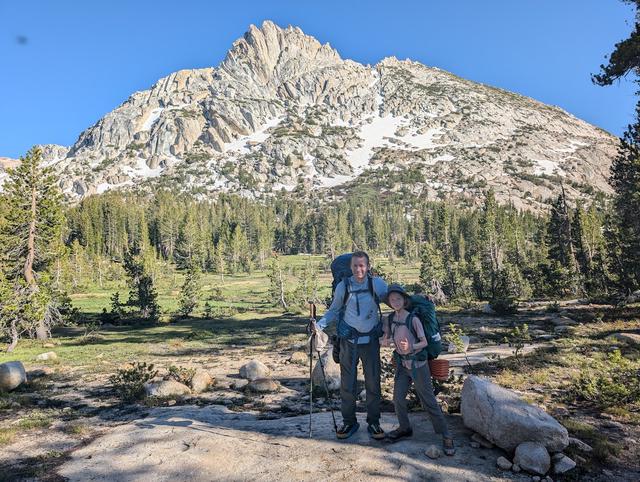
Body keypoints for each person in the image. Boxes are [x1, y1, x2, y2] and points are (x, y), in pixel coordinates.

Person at [313, 251, 388, 440]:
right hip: (348, 342)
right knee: (347, 385)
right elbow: (334, 310)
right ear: (350, 267)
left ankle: (374, 422)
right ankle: (349, 422)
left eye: (362, 265)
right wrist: (319, 325)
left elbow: (396, 302)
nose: (358, 269)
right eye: (355, 266)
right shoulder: (343, 286)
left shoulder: (377, 285)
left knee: (373, 383)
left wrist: (418, 304)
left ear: (368, 266)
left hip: (370, 342)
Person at [381, 283, 455, 455]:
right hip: (402, 365)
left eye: (398, 298)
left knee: (428, 400)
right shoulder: (391, 318)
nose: (395, 302)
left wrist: (411, 346)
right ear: (389, 302)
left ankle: (446, 435)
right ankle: (405, 428)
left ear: (405, 300)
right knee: (398, 399)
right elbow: (392, 338)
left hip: (418, 365)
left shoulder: (413, 318)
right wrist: (385, 341)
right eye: (392, 300)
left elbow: (424, 342)